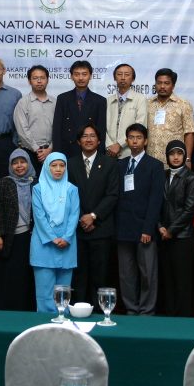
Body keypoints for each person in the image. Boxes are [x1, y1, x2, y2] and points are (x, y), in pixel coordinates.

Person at [67, 124, 120, 306]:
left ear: (99, 140)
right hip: (78, 228)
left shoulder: (110, 163)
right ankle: (79, 310)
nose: (88, 139)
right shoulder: (70, 164)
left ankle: (99, 311)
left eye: (92, 136)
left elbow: (112, 195)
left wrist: (94, 216)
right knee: (79, 276)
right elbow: (68, 195)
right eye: (84, 136)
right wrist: (82, 217)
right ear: (78, 141)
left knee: (101, 275)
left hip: (101, 228)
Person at [115, 123, 165, 315]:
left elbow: (156, 200)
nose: (134, 141)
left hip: (144, 229)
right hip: (123, 228)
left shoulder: (155, 165)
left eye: (138, 138)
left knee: (147, 273)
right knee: (126, 274)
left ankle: (146, 311)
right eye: (131, 138)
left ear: (146, 141)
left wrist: (148, 228)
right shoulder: (120, 165)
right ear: (126, 141)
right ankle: (131, 308)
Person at [30, 152, 80, 313]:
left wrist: (66, 237)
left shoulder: (72, 189)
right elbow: (39, 217)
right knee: (45, 293)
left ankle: (63, 322)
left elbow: (74, 215)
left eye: (62, 165)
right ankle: (46, 323)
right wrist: (52, 238)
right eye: (54, 165)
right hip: (43, 245)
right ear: (47, 167)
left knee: (63, 292)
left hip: (67, 245)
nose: (58, 169)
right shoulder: (38, 189)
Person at [0, 149, 36, 311]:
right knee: (10, 275)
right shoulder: (3, 182)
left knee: (25, 275)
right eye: (15, 163)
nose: (19, 166)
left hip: (30, 237)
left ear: (29, 163)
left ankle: (25, 308)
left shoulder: (35, 183)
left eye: (23, 162)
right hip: (10, 237)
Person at [157, 140, 194, 317]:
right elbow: (156, 203)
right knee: (167, 278)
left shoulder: (191, 177)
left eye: (179, 153)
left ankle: (183, 317)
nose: (175, 157)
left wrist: (171, 230)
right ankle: (169, 316)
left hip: (182, 236)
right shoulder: (162, 175)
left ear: (184, 156)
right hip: (163, 234)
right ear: (167, 156)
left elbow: (190, 209)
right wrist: (160, 226)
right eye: (172, 154)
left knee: (182, 279)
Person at [52, 60, 106, 158]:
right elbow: (57, 129)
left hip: (91, 151)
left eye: (84, 74)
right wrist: (57, 154)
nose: (81, 78)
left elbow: (101, 131)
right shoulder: (62, 99)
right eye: (77, 74)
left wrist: (100, 156)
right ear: (71, 76)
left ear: (90, 76)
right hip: (67, 151)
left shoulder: (100, 100)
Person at [147, 68, 194, 169]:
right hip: (150, 160)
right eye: (159, 83)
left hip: (174, 161)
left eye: (166, 83)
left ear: (173, 85)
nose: (162, 86)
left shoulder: (183, 104)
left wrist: (187, 159)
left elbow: (189, 133)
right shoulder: (147, 103)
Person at [13, 64, 54, 172]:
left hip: (51, 152)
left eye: (42, 78)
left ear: (47, 80)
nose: (39, 81)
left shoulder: (55, 102)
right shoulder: (23, 103)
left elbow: (59, 128)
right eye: (35, 78)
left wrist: (50, 148)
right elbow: (22, 130)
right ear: (29, 81)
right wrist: (37, 149)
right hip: (30, 153)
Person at [105, 63, 148, 160]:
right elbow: (103, 127)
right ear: (114, 78)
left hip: (130, 152)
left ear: (133, 79)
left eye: (127, 74)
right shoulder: (108, 100)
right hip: (109, 152)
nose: (123, 78)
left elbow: (140, 126)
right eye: (119, 74)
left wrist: (119, 144)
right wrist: (110, 146)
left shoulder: (140, 99)